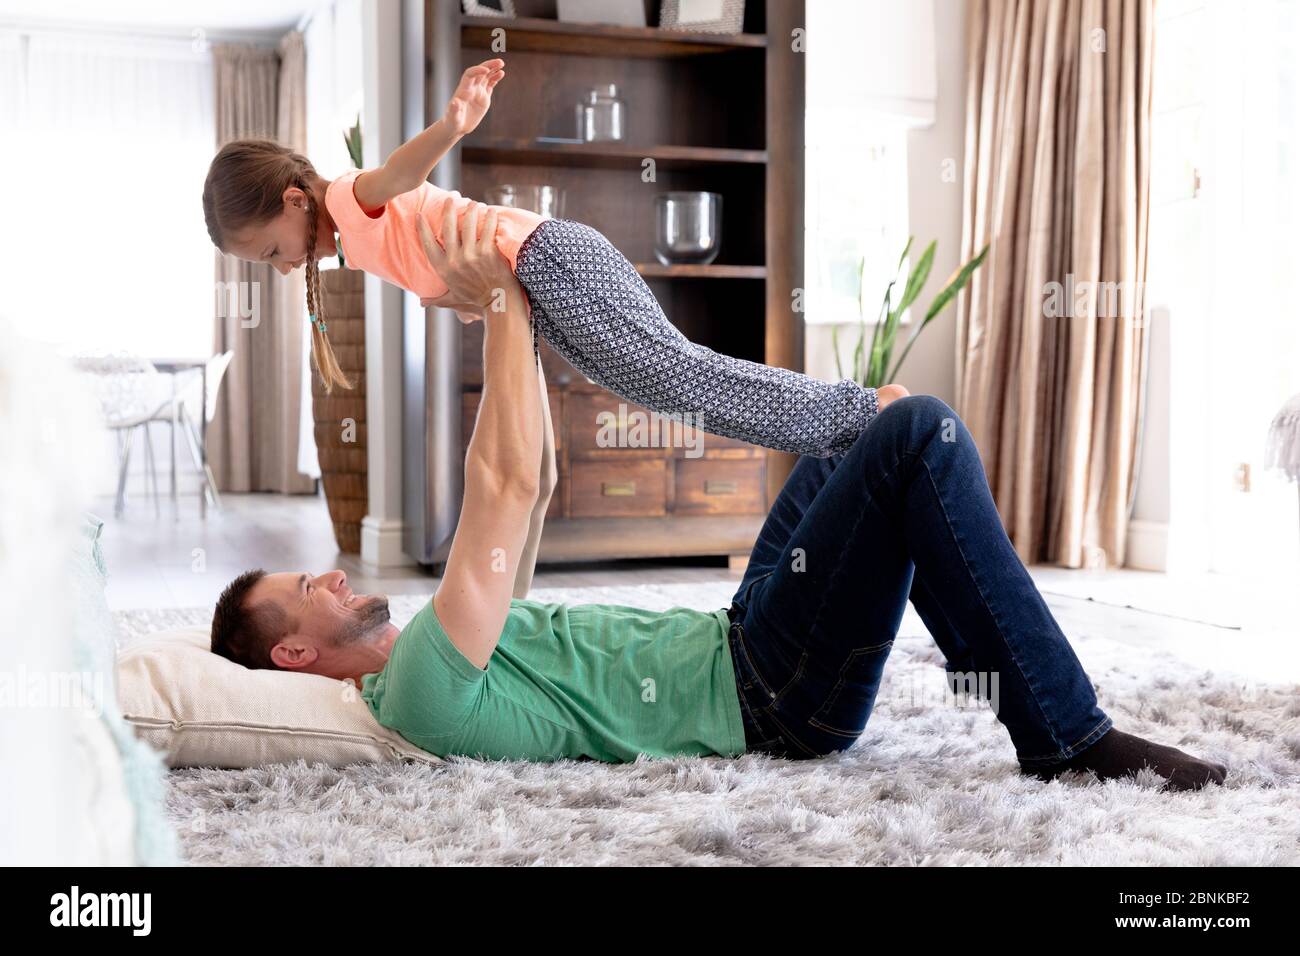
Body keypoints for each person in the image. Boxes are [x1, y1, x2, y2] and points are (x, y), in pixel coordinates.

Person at [209, 205, 1228, 792]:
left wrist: (511, 309)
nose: (334, 573)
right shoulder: (419, 683)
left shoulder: (436, 650)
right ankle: (1064, 733)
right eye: (309, 585)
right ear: (293, 653)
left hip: (743, 639)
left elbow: (527, 469)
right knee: (919, 433)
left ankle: (1000, 687)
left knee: (866, 430)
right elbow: (506, 483)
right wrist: (500, 304)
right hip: (773, 698)